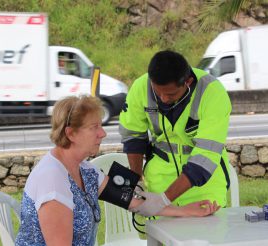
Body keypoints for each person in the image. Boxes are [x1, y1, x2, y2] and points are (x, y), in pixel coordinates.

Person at [15, 95, 219, 246]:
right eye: (94, 127)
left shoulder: (85, 171)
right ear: (71, 133)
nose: (102, 133)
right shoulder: (53, 181)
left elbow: (136, 203)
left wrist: (183, 211)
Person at [119, 50, 232, 208]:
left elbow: (205, 156)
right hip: (159, 182)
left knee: (209, 232)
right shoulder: (140, 87)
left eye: (171, 94)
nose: (164, 99)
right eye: (158, 93)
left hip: (205, 186)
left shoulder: (212, 92)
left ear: (188, 81)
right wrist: (137, 182)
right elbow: (133, 137)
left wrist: (164, 200)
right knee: (159, 233)